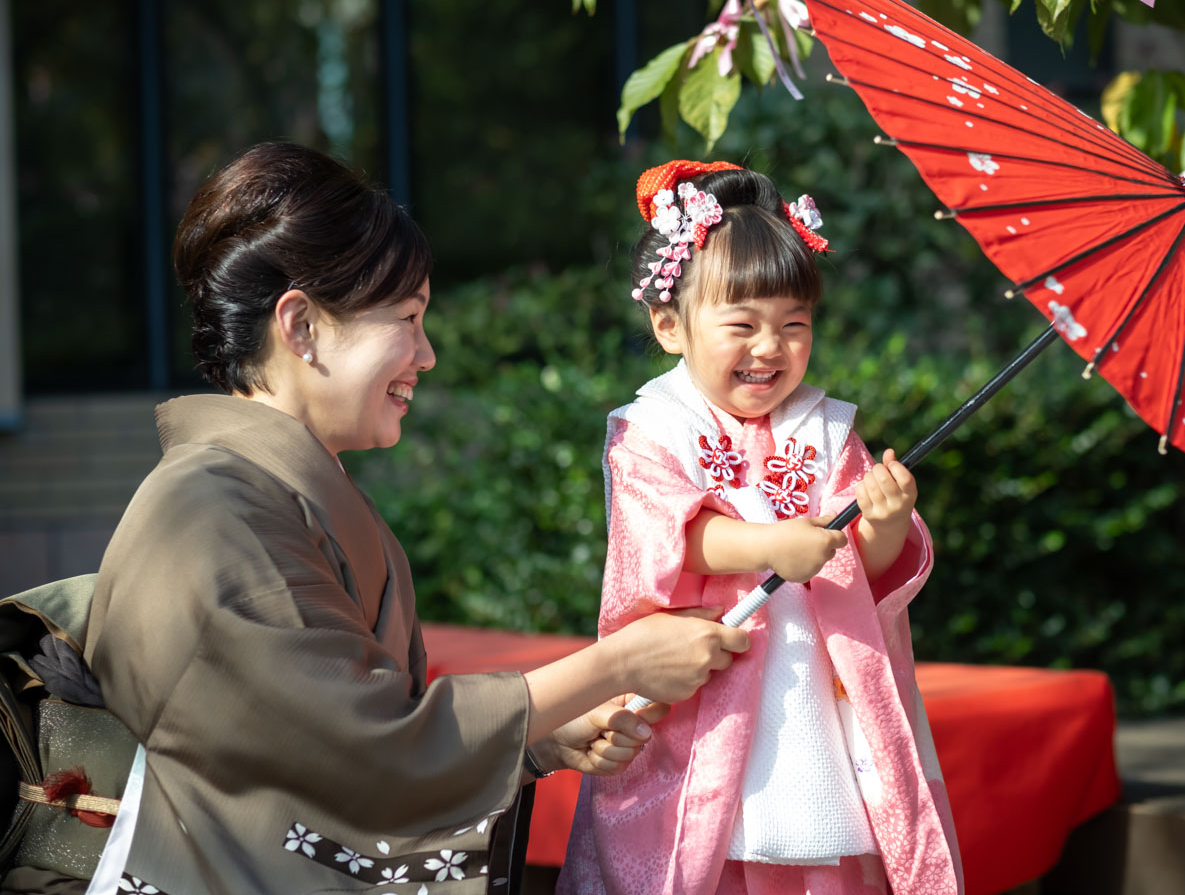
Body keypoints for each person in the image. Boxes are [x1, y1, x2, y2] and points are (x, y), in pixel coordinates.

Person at [55, 142, 749, 895]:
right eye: (407, 319)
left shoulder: (260, 494)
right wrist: (613, 665)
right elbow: (367, 749)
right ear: (301, 326)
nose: (427, 354)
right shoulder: (210, 510)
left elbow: (357, 742)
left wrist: (535, 743)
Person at [558, 162, 962, 895]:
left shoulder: (828, 429)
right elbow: (667, 540)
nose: (770, 348)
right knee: (702, 848)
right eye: (742, 325)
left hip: (812, 697)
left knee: (821, 855)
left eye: (793, 326)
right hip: (703, 697)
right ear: (669, 325)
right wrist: (774, 544)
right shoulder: (650, 429)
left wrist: (885, 523)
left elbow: (856, 569)